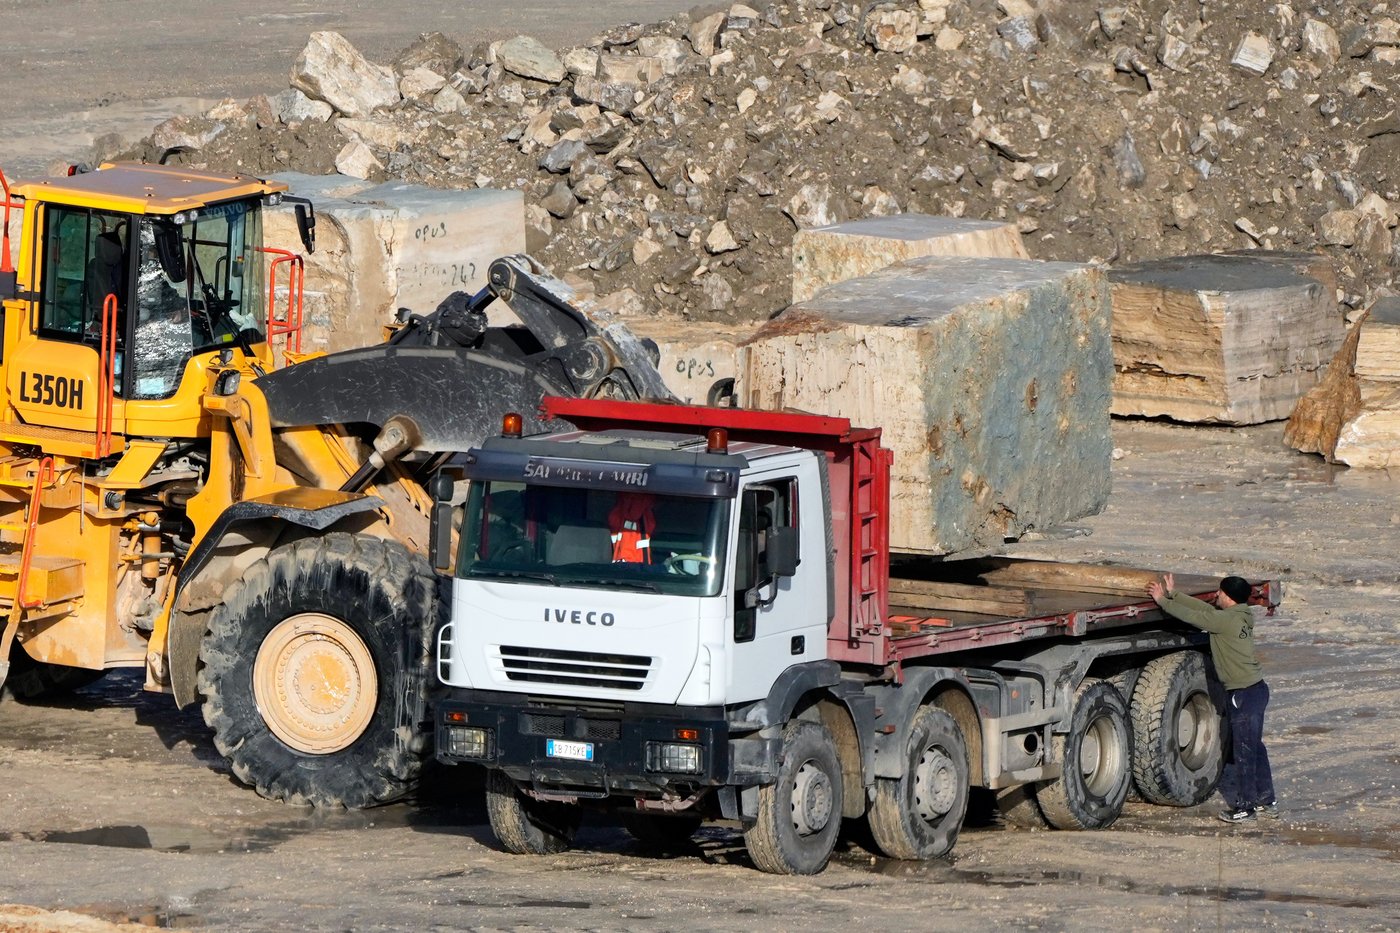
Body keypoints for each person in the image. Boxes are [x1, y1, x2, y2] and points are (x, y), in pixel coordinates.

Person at [1147, 573, 1276, 824]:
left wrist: (1163, 601)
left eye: (1219, 592)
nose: (1216, 595)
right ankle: (1266, 800)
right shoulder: (1240, 615)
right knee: (1255, 748)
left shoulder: (1224, 621)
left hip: (1244, 693)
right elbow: (1206, 610)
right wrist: (1174, 595)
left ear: (1227, 597)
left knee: (1244, 751)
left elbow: (1195, 617)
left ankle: (1246, 807)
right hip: (1256, 690)